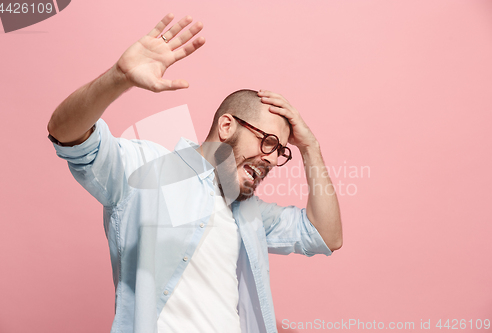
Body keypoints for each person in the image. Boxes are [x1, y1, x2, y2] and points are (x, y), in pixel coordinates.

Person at [47, 13, 342, 333]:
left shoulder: (250, 214)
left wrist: (310, 147)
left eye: (280, 152)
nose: (270, 160)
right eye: (267, 142)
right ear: (227, 125)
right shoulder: (146, 171)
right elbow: (66, 134)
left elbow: (325, 235)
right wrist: (119, 77)